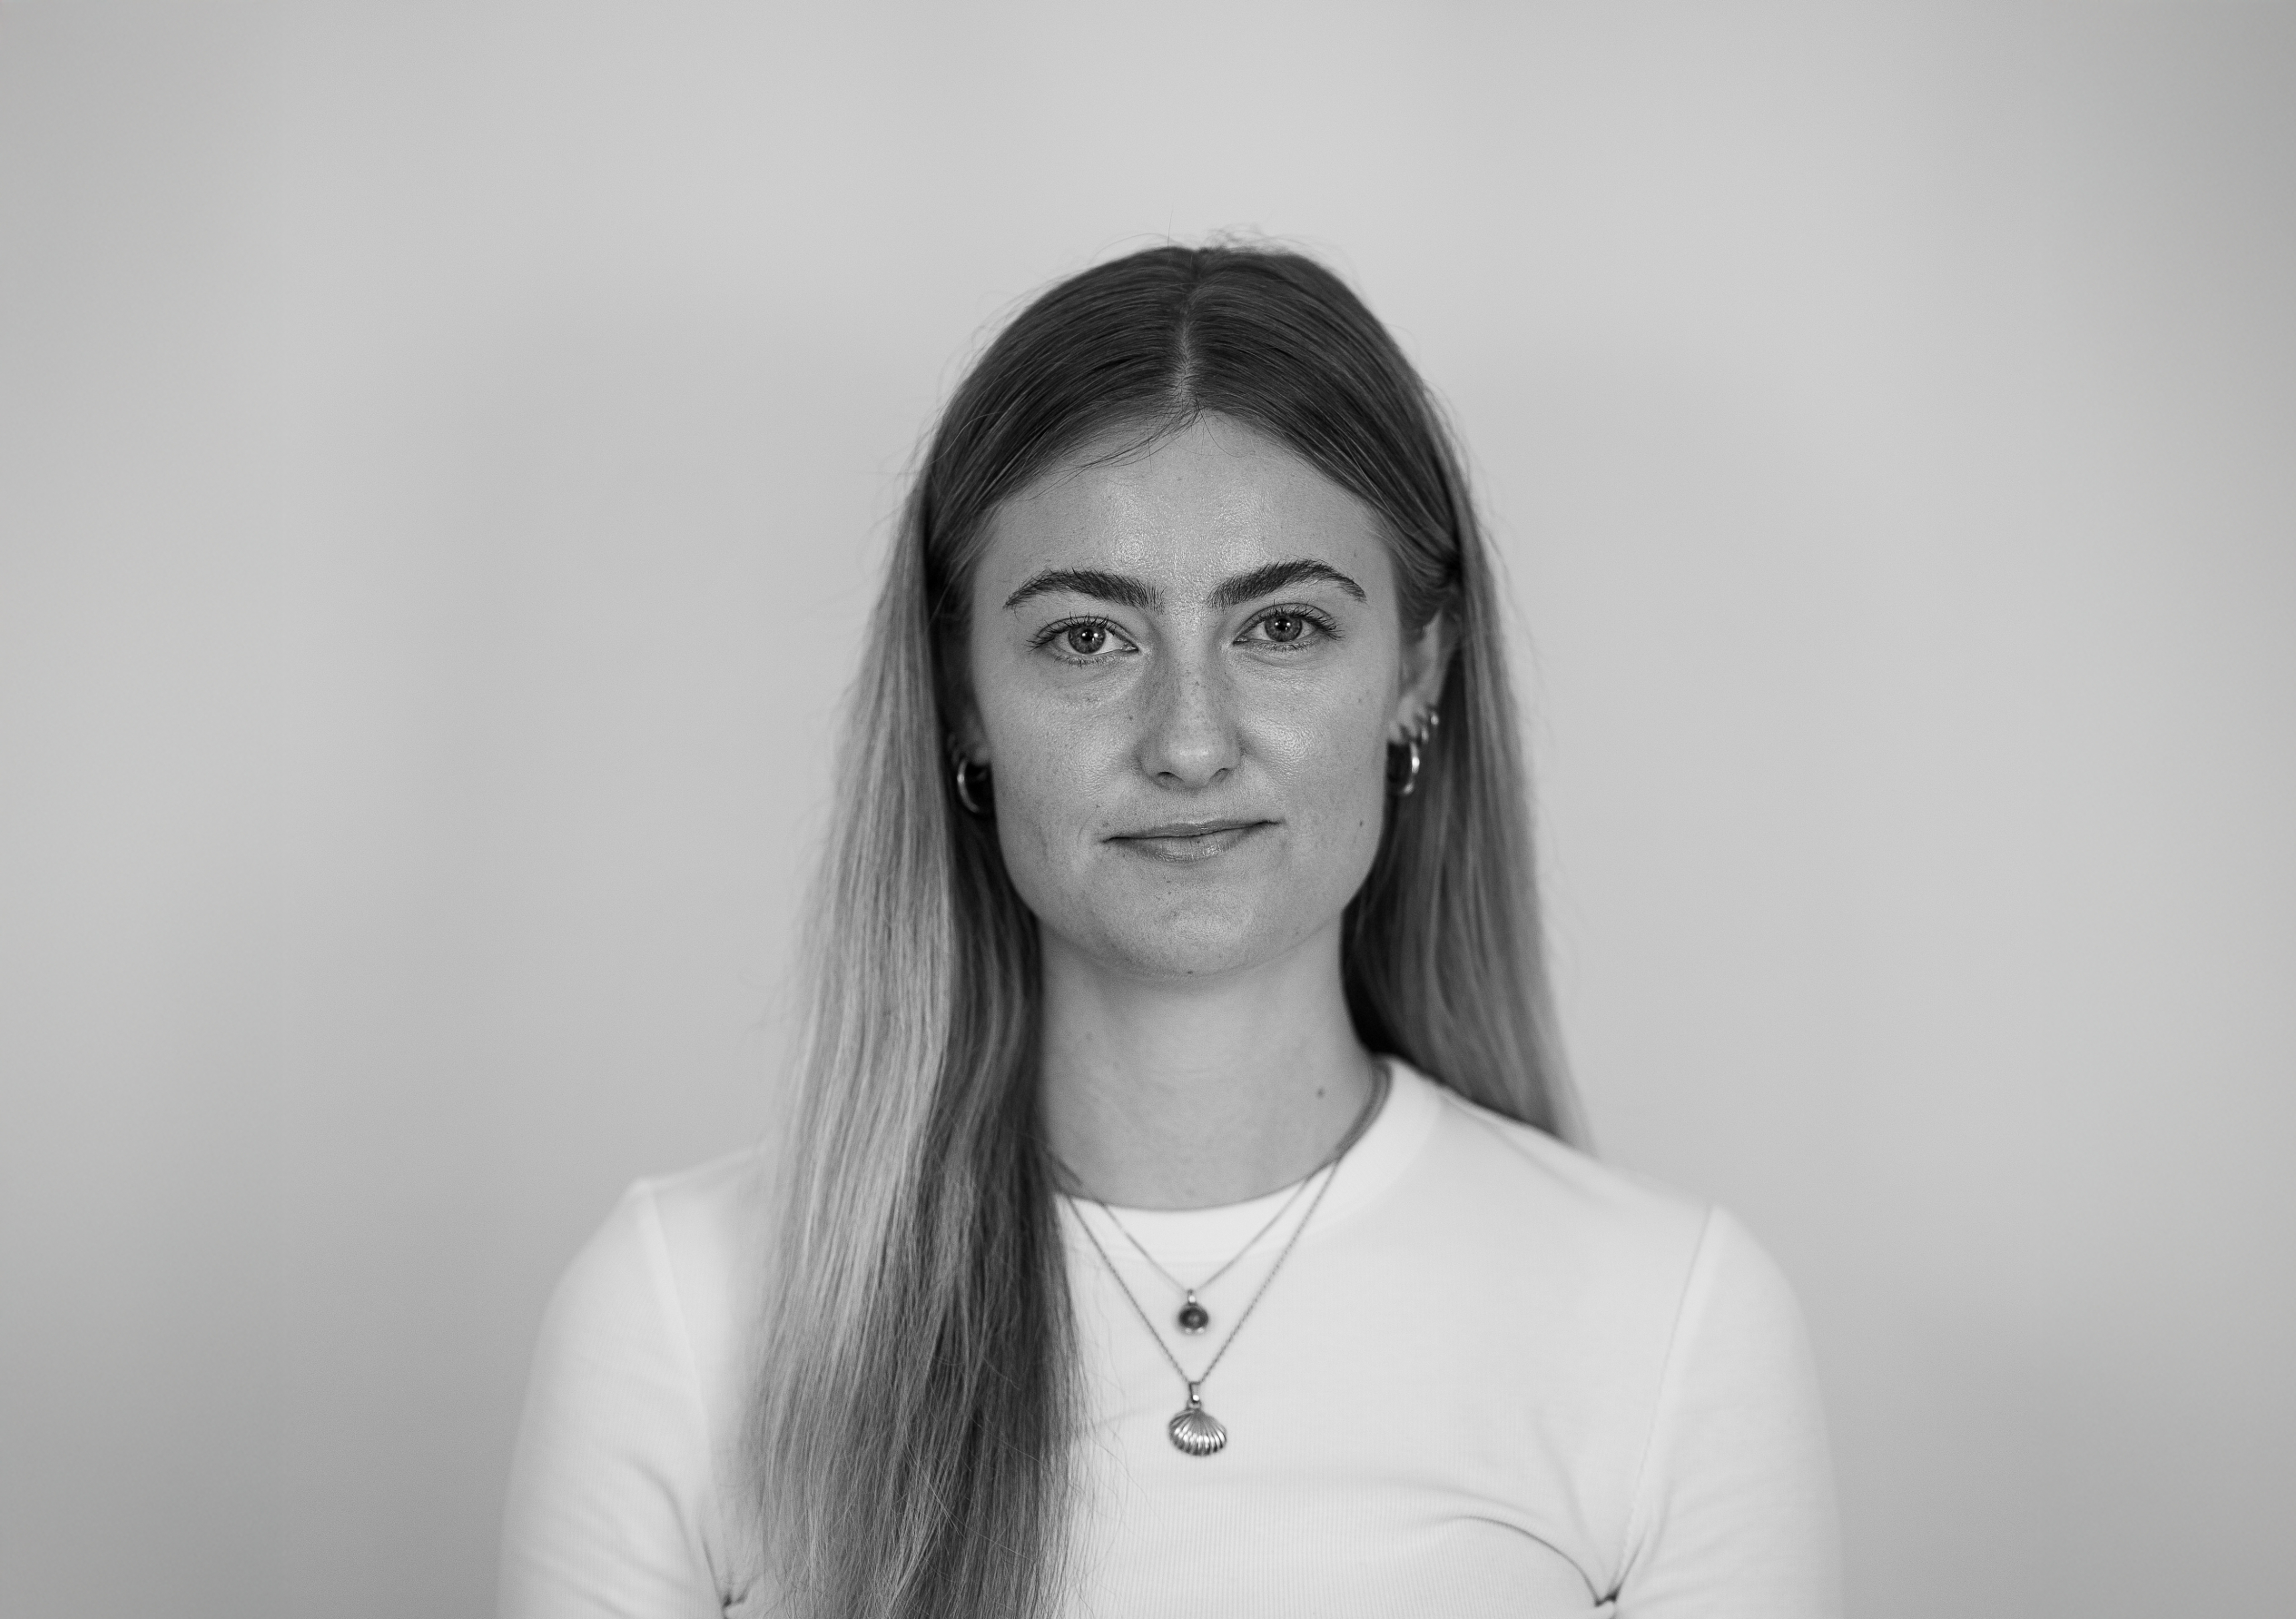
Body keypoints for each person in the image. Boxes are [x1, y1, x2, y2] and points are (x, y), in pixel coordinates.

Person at [498, 242, 1842, 1619]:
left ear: (1417, 674)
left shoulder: (1668, 1322)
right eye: (1088, 638)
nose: (1190, 744)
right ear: (962, 696)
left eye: (1285, 626)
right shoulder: (682, 1313)